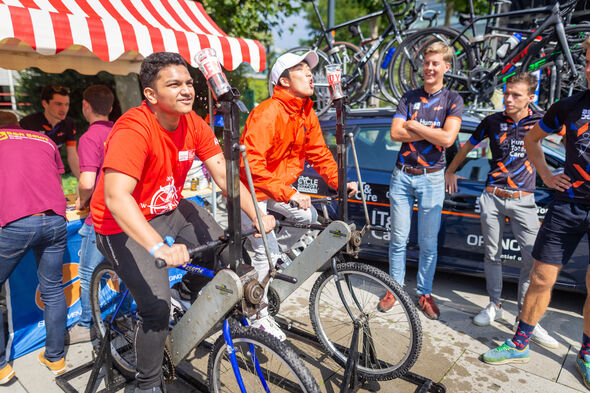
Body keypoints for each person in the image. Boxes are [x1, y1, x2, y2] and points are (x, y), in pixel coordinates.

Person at [89, 52, 275, 393]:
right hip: (121, 224)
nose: (186, 90)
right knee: (156, 310)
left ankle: (187, 295)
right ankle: (146, 384)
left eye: (189, 82)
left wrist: (257, 215)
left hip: (169, 209)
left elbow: (225, 175)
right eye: (173, 84)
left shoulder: (194, 124)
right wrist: (158, 247)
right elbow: (117, 198)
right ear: (151, 94)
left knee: (227, 253)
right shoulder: (133, 128)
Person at [482, 38, 590, 391]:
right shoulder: (569, 106)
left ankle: (586, 354)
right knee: (541, 277)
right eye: (587, 61)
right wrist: (545, 175)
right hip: (568, 203)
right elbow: (532, 140)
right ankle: (519, 343)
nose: (589, 69)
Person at [239, 51, 358, 341]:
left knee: (308, 216)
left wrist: (340, 182)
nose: (310, 74)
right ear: (283, 80)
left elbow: (319, 153)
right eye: (302, 69)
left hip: (275, 186)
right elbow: (251, 167)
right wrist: (289, 192)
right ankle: (255, 317)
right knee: (265, 257)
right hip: (250, 189)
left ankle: (263, 257)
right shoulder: (267, 112)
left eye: (310, 69)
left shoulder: (306, 111)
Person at [445, 73, 558, 349]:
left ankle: (526, 319)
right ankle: (494, 304)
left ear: (530, 97)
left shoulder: (541, 121)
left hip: (525, 199)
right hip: (492, 196)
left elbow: (573, 142)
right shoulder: (492, 121)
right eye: (506, 93)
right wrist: (450, 171)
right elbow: (466, 146)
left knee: (533, 260)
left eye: (515, 95)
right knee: (492, 254)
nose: (508, 99)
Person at [383, 41, 463, 320]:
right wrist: (431, 131)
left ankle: (424, 293)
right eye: (426, 62)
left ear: (446, 67)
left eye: (435, 63)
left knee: (428, 242)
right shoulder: (408, 97)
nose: (429, 68)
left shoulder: (453, 99)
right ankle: (393, 288)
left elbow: (448, 139)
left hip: (432, 178)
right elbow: (394, 133)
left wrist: (415, 126)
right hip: (403, 175)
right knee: (398, 239)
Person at [0, 111, 68, 383]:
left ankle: (2, 368)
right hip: (54, 219)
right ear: (17, 125)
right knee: (52, 288)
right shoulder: (45, 139)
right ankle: (56, 358)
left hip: (15, 222)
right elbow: (55, 178)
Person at [65, 85, 115, 345]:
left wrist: (81, 202)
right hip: (126, 213)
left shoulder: (89, 137)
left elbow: (86, 182)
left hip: (101, 216)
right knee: (124, 270)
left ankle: (86, 325)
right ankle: (121, 314)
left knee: (87, 274)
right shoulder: (121, 130)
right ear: (111, 105)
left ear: (85, 106)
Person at [20, 84, 80, 178]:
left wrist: (82, 181)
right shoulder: (27, 124)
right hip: (30, 173)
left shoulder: (69, 124)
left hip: (54, 171)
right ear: (45, 104)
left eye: (66, 104)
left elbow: (72, 155)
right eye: (58, 104)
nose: (63, 109)